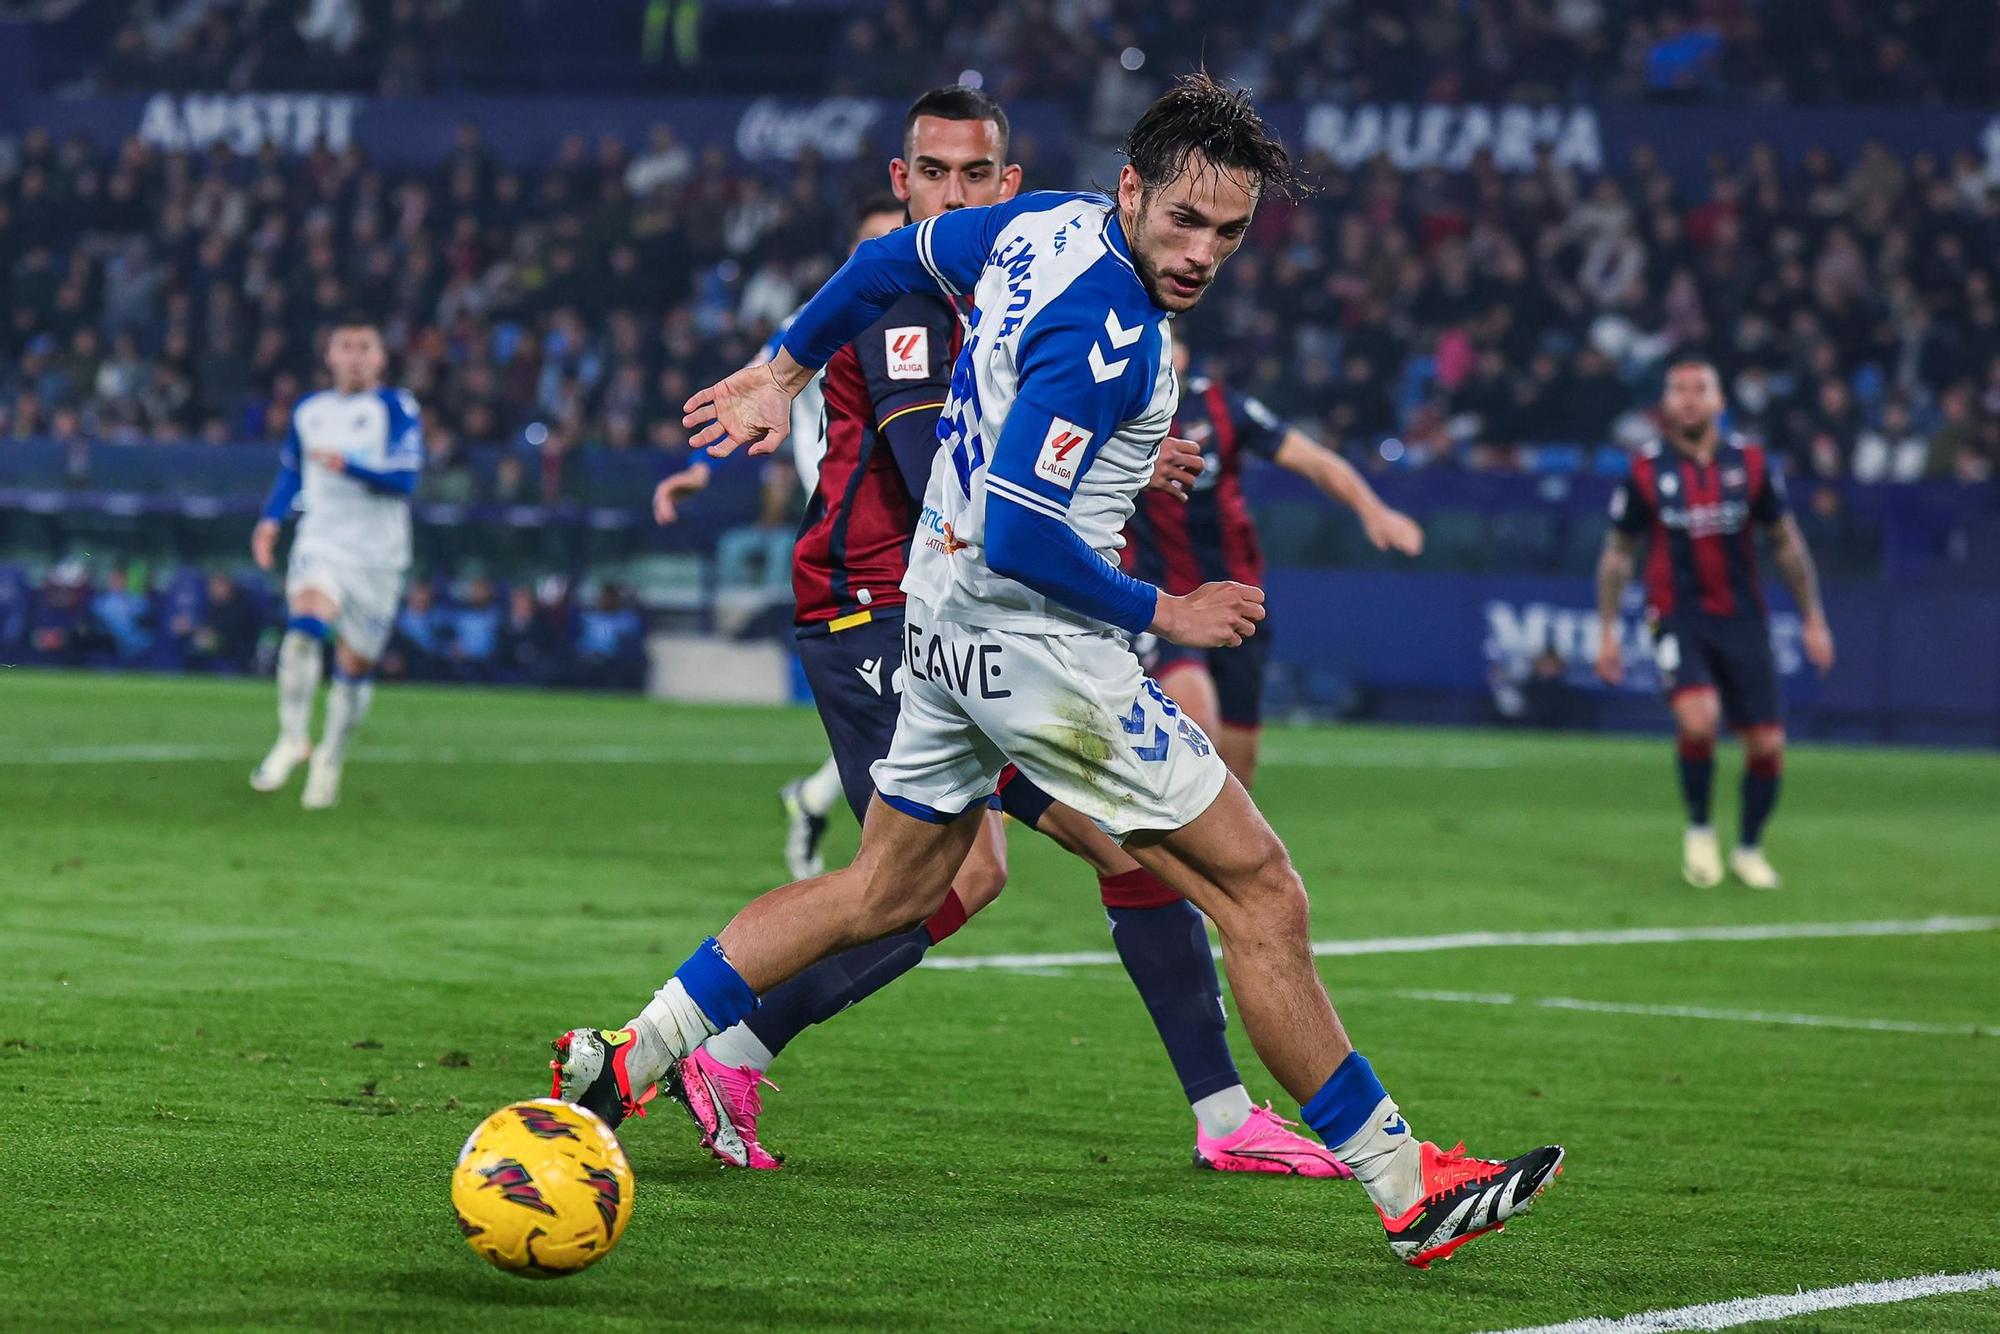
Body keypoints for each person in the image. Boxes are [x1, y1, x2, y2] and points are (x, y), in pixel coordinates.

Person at [553, 75, 1562, 1268]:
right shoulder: (1110, 333)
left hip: (939, 621)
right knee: (1261, 893)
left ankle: (633, 1051)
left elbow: (888, 269)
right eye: (1183, 220)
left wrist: (779, 366)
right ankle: (1404, 1185)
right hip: (1035, 650)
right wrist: (1166, 604)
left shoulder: (1043, 225)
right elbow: (1021, 527)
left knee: (882, 888)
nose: (1199, 253)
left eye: (1227, 232)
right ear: (1132, 189)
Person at [642, 86, 1340, 1181]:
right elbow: (954, 496)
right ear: (900, 181)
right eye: (933, 174)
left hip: (935, 612)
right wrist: (1082, 482)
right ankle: (718, 1044)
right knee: (1012, 866)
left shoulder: (1021, 273)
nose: (953, 192)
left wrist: (1088, 443)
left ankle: (710, 1043)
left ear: (1007, 185)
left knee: (955, 880)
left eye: (975, 175)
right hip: (884, 608)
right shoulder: (914, 310)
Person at [654, 194, 908, 881]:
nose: (885, 253)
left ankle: (819, 801)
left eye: (899, 238)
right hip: (856, 531)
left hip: (929, 525)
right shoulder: (821, 320)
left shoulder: (944, 311)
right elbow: (754, 391)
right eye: (871, 243)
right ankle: (880, 880)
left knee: (940, 698)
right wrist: (698, 472)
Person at [1127, 341, 1424, 784]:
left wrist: (1373, 511)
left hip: (1241, 600)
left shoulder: (1223, 406)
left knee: (1238, 769)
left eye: (1174, 340)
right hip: (1164, 600)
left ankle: (1210, 853)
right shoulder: (1117, 410)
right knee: (1197, 717)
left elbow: (1315, 461)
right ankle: (1145, 848)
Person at [1596, 359, 1835, 889]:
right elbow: (1618, 553)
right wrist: (1607, 630)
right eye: (1678, 390)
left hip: (1744, 618)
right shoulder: (1644, 469)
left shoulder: (1750, 464)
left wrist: (1813, 617)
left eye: (1699, 389)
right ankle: (1700, 830)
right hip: (1675, 613)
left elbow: (1786, 543)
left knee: (1768, 746)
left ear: (1719, 402)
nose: (1688, 399)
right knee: (1699, 720)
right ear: (1665, 403)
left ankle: (1749, 848)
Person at [248, 317, 422, 810]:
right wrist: (269, 522)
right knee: (303, 627)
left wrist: (352, 467)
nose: (354, 356)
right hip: (320, 541)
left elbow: (407, 480)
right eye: (345, 347)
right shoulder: (310, 411)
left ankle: (330, 757)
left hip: (377, 556)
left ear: (380, 358)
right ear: (329, 357)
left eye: (364, 347)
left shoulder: (396, 408)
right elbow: (290, 473)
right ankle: (292, 738)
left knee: (354, 666)